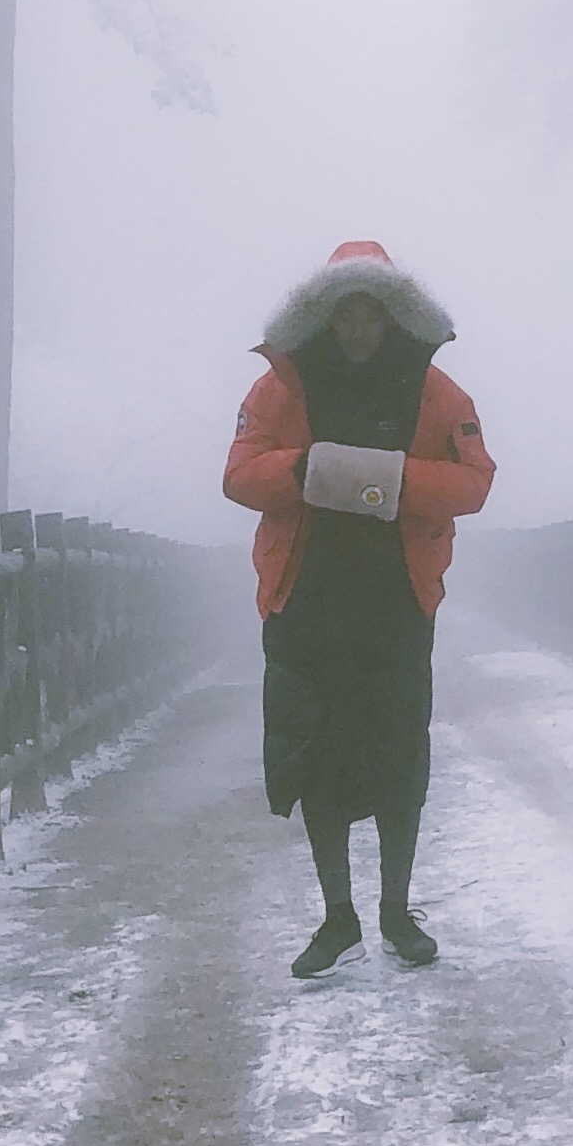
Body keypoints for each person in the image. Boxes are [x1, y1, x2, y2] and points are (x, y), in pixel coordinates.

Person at [223, 238, 494, 978]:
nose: (357, 332)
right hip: (303, 602)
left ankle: (396, 912)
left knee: (399, 753)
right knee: (316, 760)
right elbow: (238, 476)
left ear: (393, 316)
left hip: (394, 603)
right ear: (322, 316)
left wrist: (398, 480)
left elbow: (475, 480)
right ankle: (337, 915)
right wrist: (303, 468)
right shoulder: (279, 389)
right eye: (344, 316)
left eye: (370, 316)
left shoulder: (438, 393)